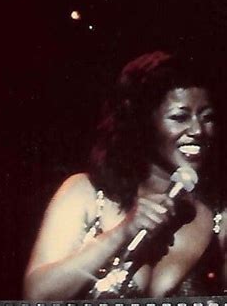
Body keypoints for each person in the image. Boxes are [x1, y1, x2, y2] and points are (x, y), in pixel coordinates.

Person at [24, 50, 226, 300]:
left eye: (207, 118)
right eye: (179, 117)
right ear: (140, 122)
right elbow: (37, 295)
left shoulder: (218, 211)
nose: (197, 130)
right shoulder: (85, 192)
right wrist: (123, 232)